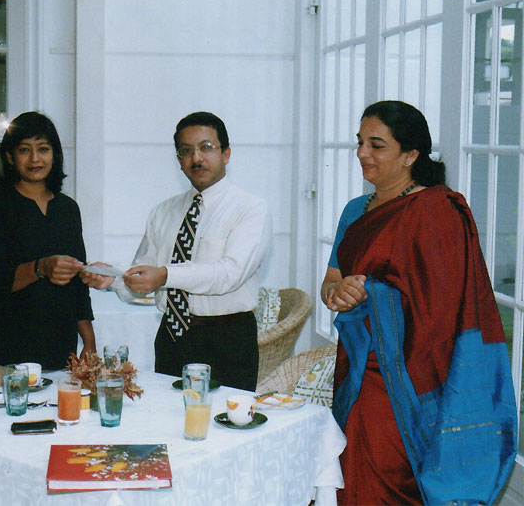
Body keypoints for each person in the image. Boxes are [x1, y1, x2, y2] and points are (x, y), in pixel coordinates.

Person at [320, 100, 517, 505]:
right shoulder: (356, 211)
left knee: (392, 472)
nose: (362, 153)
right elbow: (330, 283)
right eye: (360, 142)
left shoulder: (437, 211)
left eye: (376, 145)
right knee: (353, 473)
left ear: (410, 155)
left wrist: (374, 294)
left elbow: (446, 304)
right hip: (357, 368)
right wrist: (339, 294)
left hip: (414, 371)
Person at [82, 112, 272, 390]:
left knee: (225, 418)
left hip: (227, 339)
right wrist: (115, 279)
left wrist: (165, 275)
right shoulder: (163, 212)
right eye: (186, 151)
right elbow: (145, 278)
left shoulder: (250, 209)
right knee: (168, 414)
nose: (196, 158)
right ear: (178, 160)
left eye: (206, 147)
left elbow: (229, 273)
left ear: (226, 154)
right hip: (172, 337)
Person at [0, 111, 96, 394]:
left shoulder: (68, 209)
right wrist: (40, 267)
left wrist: (89, 342)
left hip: (56, 348)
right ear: (9, 157)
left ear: (54, 155)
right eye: (24, 150)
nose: (35, 159)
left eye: (43, 149)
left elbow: (77, 283)